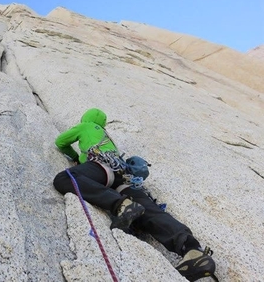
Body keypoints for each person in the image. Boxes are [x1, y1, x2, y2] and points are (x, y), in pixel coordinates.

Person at [53, 108, 217, 282]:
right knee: (151, 211)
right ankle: (192, 249)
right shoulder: (109, 140)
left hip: (101, 168)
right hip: (123, 177)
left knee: (64, 178)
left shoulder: (85, 126)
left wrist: (76, 158)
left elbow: (61, 141)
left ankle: (122, 206)